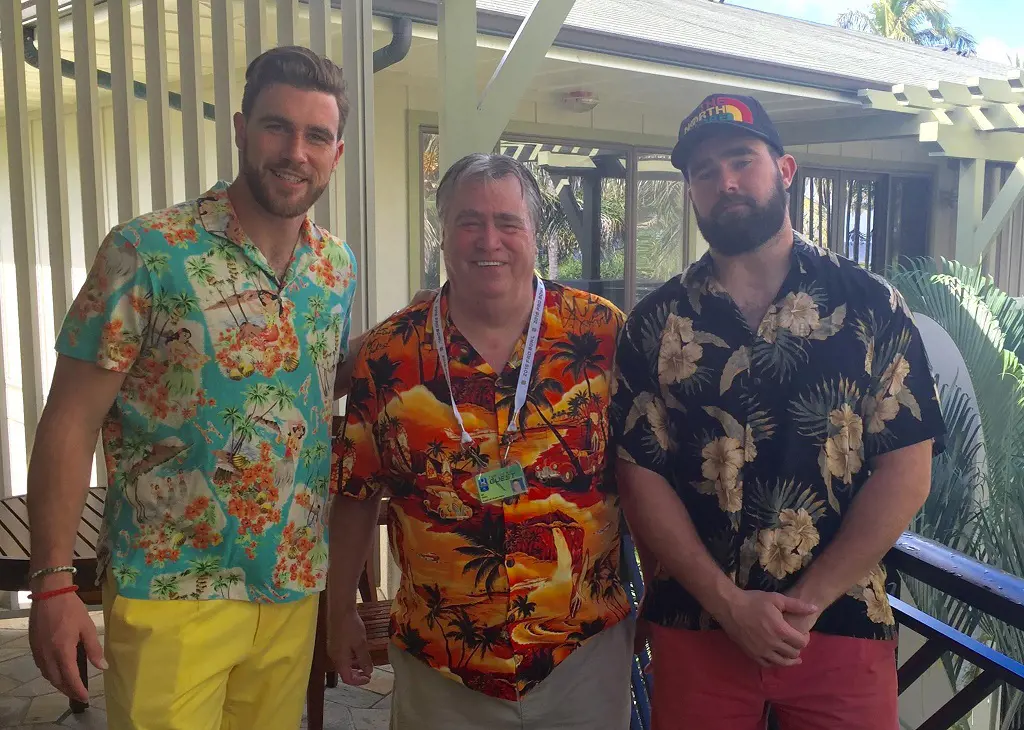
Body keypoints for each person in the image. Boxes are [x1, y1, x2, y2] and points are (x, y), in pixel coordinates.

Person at [27, 46, 362, 729]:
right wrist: (53, 583)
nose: (295, 150)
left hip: (290, 584)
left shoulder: (334, 268)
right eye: (277, 126)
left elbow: (299, 376)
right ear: (241, 128)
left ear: (337, 151)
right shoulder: (148, 251)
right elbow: (69, 420)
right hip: (171, 588)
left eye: (316, 135)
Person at [612, 93, 946, 730]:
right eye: (704, 171)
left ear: (785, 170)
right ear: (689, 191)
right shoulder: (655, 325)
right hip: (697, 625)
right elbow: (639, 476)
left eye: (741, 160)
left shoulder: (872, 306)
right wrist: (730, 604)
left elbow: (907, 471)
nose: (726, 182)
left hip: (840, 623)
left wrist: (806, 602)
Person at [328, 153, 634, 729]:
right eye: (469, 221)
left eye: (508, 222)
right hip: (442, 662)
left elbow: (645, 475)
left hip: (583, 654)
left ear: (535, 233)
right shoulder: (391, 354)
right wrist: (339, 606)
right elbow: (356, 492)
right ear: (442, 233)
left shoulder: (601, 334)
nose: (488, 239)